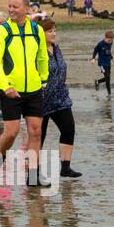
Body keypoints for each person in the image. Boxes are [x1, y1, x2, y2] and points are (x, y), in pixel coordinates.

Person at [0, 0, 50, 188]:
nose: (11, 10)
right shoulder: (2, 31)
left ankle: (33, 175)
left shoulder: (37, 30)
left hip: (33, 89)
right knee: (11, 133)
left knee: (36, 131)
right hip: (10, 90)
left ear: (26, 9)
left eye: (15, 7)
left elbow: (42, 56)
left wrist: (44, 79)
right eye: (9, 6)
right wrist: (6, 86)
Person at [39, 20, 82, 179]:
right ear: (40, 33)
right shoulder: (37, 50)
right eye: (50, 31)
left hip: (60, 97)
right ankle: (34, 171)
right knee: (39, 136)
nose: (54, 33)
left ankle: (65, 167)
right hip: (42, 100)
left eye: (54, 30)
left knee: (69, 129)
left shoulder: (57, 48)